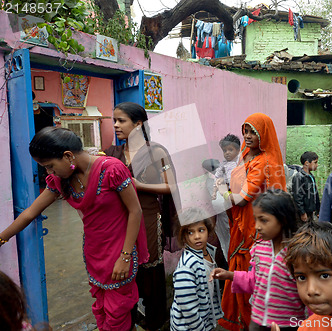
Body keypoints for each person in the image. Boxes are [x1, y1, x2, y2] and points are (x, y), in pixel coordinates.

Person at [0, 127, 148, 331]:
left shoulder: (112, 169)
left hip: (120, 249)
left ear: (68, 156)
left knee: (118, 310)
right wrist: (1, 238)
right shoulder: (62, 180)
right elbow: (29, 213)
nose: (48, 173)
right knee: (101, 308)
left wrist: (125, 256)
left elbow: (135, 211)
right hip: (94, 251)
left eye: (50, 166)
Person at [105, 102, 179, 330]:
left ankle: (155, 319)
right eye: (114, 120)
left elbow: (173, 187)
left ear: (138, 124)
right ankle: (127, 315)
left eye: (121, 120)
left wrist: (139, 185)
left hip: (147, 219)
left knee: (149, 267)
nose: (116, 125)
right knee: (123, 266)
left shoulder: (156, 152)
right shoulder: (111, 153)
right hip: (119, 222)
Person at [216, 113, 287, 331]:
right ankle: (240, 319)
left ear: (263, 134)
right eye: (245, 131)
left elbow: (241, 198)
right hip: (240, 221)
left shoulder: (263, 161)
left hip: (253, 224)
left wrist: (222, 190)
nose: (247, 136)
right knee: (240, 265)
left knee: (252, 270)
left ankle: (251, 321)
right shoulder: (246, 155)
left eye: (252, 132)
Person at [211, 189, 307, 331]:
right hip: (258, 320)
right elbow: (256, 279)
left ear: (283, 219)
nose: (257, 226)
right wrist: (229, 275)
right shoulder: (258, 248)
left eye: (264, 220)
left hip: (288, 323)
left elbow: (309, 292)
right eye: (256, 219)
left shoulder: (298, 253)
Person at [170, 208, 223, 331]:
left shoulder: (208, 252)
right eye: (190, 232)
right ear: (183, 236)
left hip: (204, 321)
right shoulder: (186, 268)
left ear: (208, 230)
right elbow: (189, 311)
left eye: (201, 230)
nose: (197, 236)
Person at [291, 152, 320, 222]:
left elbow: (315, 194)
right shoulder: (299, 177)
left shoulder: (311, 176)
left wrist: (318, 209)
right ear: (307, 163)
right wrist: (302, 212)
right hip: (304, 212)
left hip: (311, 211)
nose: (317, 165)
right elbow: (297, 196)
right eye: (315, 162)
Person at [212, 133, 240, 199]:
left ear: (238, 151)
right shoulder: (223, 164)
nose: (227, 152)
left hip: (240, 191)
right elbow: (217, 177)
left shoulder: (240, 162)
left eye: (230, 150)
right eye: (224, 151)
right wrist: (214, 192)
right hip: (229, 192)